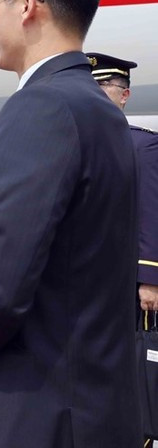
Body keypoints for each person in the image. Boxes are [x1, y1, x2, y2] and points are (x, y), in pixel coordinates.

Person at [0, 0, 141, 447]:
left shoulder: (41, 107)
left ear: (26, 2)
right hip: (93, 400)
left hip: (36, 404)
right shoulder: (99, 108)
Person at [86, 53, 158, 314]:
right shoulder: (70, 140)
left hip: (120, 276)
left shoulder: (142, 145)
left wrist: (149, 278)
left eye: (102, 86)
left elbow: (150, 212)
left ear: (124, 95)